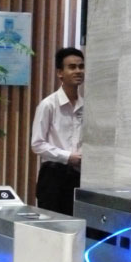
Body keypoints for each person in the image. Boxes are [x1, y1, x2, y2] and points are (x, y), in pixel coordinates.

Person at [32, 47, 84, 216]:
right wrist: (68, 157)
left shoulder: (86, 105)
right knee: (52, 224)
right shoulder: (48, 105)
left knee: (77, 223)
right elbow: (37, 144)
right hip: (53, 175)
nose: (78, 71)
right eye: (72, 67)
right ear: (60, 73)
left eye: (81, 66)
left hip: (79, 176)